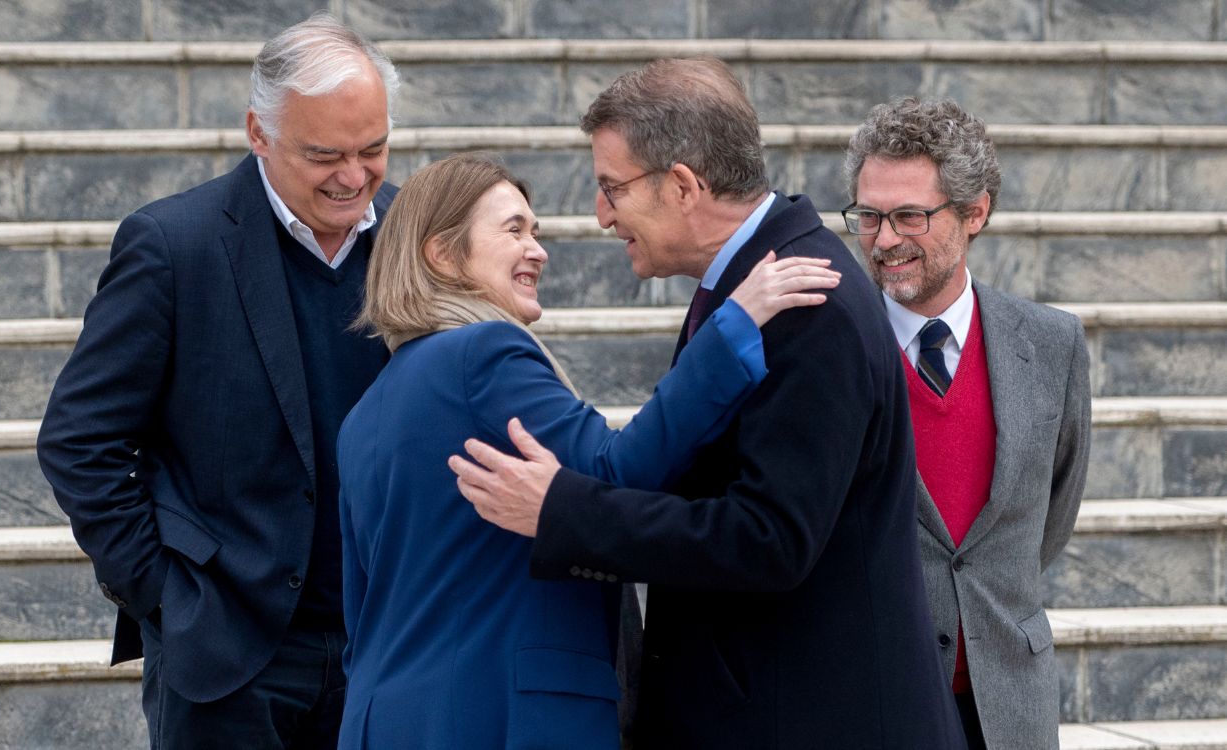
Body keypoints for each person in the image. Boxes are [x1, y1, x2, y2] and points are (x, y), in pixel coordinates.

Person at [449, 58, 968, 749]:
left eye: (612, 188)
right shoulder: (754, 285)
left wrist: (562, 509)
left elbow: (769, 541)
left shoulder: (806, 305)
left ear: (684, 186)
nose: (602, 215)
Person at [335, 152, 838, 749]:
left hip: (383, 721)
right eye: (514, 230)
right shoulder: (481, 354)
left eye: (537, 231)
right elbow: (615, 470)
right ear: (442, 255)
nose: (538, 250)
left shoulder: (364, 414)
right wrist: (734, 325)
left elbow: (359, 607)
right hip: (503, 719)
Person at [35, 13, 400, 748]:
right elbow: (80, 441)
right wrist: (166, 598)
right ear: (258, 134)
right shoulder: (173, 245)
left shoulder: (415, 234)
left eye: (374, 148)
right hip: (229, 656)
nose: (354, 177)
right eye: (325, 154)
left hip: (388, 643)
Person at [841, 96, 1091, 749]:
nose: (884, 239)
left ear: (975, 211)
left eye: (909, 216)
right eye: (868, 216)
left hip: (1011, 704)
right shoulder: (829, 347)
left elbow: (1049, 519)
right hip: (873, 700)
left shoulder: (1053, 344)